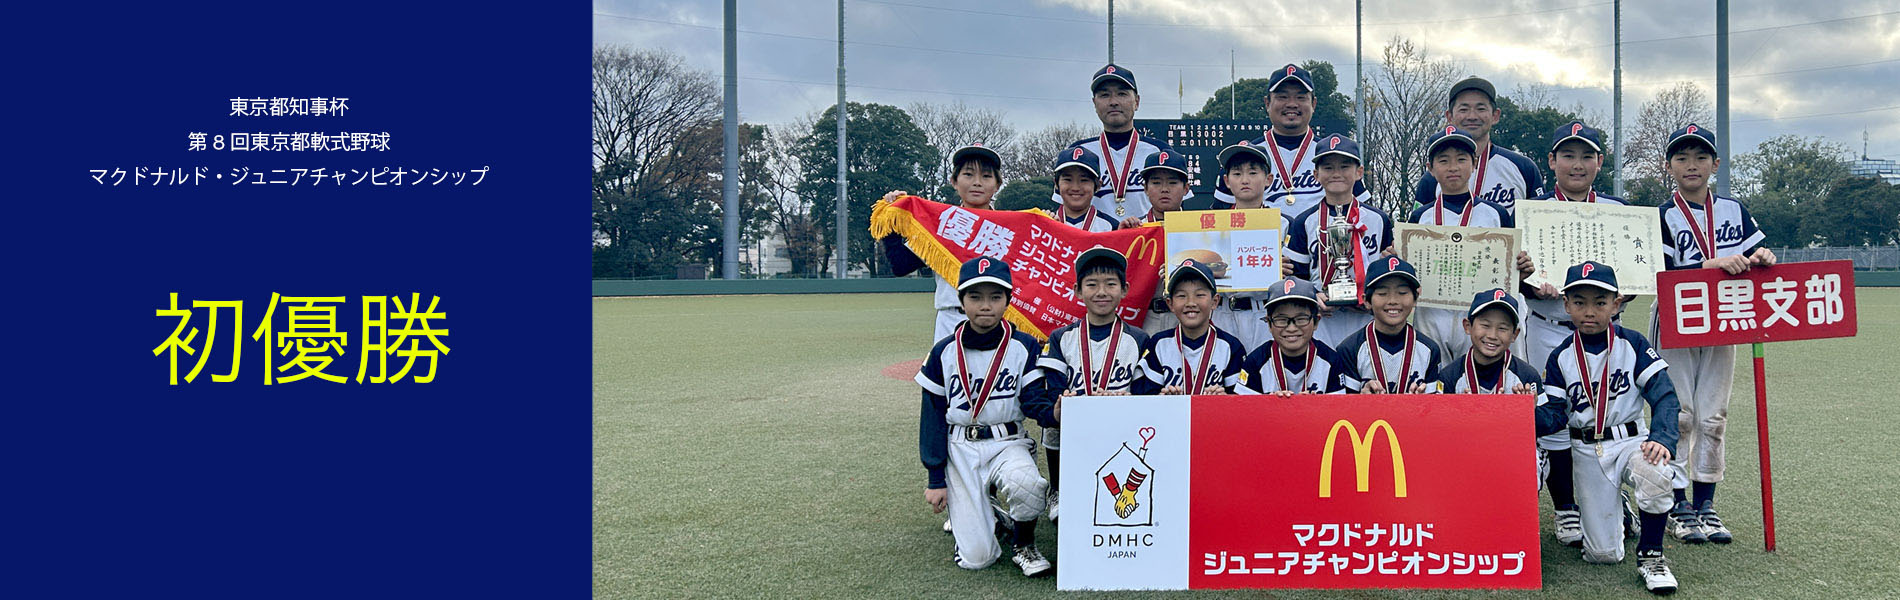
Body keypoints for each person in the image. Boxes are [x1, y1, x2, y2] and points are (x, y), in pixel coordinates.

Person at [1649, 123, 1775, 545]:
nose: (1692, 165)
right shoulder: (1662, 215)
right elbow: (1659, 272)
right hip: (1678, 317)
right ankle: (1677, 502)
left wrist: (1762, 256)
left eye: (1701, 157)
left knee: (1713, 415)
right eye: (1682, 158)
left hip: (1725, 318)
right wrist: (1709, 265)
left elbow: (1755, 253)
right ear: (1669, 166)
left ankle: (1706, 503)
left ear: (1715, 164)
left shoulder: (1734, 210)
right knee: (1680, 413)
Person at [1536, 261, 1685, 594]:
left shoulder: (1633, 343)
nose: (1589, 311)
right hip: (1587, 449)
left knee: (1655, 471)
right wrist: (1520, 416)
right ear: (1566, 305)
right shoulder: (1560, 356)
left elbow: (1664, 396)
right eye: (1579, 302)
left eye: (1600, 302)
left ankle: (1651, 556)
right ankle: (1625, 514)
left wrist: (1662, 438)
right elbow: (1556, 415)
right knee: (1603, 555)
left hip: (1631, 440)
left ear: (1616, 304)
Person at [1520, 121, 1631, 533]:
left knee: (1605, 415)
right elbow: (1508, 276)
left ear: (1600, 162)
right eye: (1568, 155)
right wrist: (1526, 277)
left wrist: (1624, 292)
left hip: (1604, 330)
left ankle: (1609, 501)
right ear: (1552, 161)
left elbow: (1637, 276)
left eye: (1587, 156)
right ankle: (1566, 507)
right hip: (1548, 324)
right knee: (1553, 416)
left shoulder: (1619, 211)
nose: (1577, 164)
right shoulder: (1529, 211)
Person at [916, 256, 1055, 577]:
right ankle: (991, 516)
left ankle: (1024, 544)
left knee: (1027, 484)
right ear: (961, 300)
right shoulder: (943, 351)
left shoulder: (1023, 346)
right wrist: (935, 479)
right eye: (975, 297)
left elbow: (1034, 401)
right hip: (960, 447)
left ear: (1008, 300)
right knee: (978, 558)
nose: (985, 306)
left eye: (995, 296)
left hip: (1008, 441)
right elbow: (932, 417)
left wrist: (1054, 413)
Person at [1434, 289, 1576, 542]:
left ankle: (1515, 528)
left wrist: (1528, 411)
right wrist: (1458, 413)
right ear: (1468, 326)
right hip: (1465, 452)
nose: (1492, 335)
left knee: (1530, 463)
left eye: (1502, 328)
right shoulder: (1451, 375)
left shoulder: (1526, 375)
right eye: (1485, 325)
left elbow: (1553, 420)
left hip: (1512, 453)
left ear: (1515, 334)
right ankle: (1462, 521)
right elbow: (1436, 428)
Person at [1036, 247, 1148, 524]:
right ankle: (1058, 488)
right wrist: (1065, 402)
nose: (1101, 292)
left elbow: (1145, 393)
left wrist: (1126, 400)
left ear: (1124, 290)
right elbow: (1054, 387)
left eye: (1110, 284)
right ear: (1077, 291)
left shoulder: (1139, 338)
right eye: (1092, 284)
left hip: (1121, 427)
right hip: (1074, 430)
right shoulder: (1061, 337)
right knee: (1055, 420)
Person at [1406, 126, 1535, 359]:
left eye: (1461, 159)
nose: (1453, 167)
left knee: (1489, 373)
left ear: (1474, 163)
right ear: (1430, 168)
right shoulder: (1420, 217)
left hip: (1482, 312)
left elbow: (1508, 267)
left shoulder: (1495, 214)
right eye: (1443, 160)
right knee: (1435, 375)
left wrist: (1520, 269)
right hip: (1433, 311)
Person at [1212, 63, 1371, 226]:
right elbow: (1219, 217)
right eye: (1283, 97)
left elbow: (1364, 212)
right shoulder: (1245, 156)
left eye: (1301, 97)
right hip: (1261, 241)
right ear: (1267, 103)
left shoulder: (1334, 155)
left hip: (1323, 241)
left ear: (1313, 104)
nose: (1292, 104)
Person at [879, 143, 1004, 342]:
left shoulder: (1010, 230)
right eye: (968, 174)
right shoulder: (941, 225)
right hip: (951, 319)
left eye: (986, 176)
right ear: (954, 181)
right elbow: (901, 265)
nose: (977, 182)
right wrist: (892, 218)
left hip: (1000, 320)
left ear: (997, 185)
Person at [1282, 134, 1396, 347]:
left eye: (1344, 167)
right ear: (1316, 174)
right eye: (1328, 168)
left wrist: (1373, 295)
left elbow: (1386, 270)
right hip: (1322, 320)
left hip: (1366, 317)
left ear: (1359, 172)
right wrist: (1313, 295)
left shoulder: (1379, 219)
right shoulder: (1304, 221)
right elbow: (1296, 275)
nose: (1336, 174)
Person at [1061, 64, 1182, 220]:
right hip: (1094, 235)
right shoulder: (1079, 152)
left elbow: (1178, 210)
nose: (1113, 102)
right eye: (1105, 95)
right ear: (1094, 103)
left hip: (1147, 234)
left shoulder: (1159, 151)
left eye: (1122, 94)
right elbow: (1064, 211)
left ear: (1137, 101)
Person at [1411, 77, 1544, 215]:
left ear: (1495, 115)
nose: (1472, 116)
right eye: (1463, 109)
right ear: (1449, 116)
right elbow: (1417, 224)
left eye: (1481, 109)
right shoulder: (1433, 177)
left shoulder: (1523, 168)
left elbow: (1540, 221)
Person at [1334, 257, 1444, 394]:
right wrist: (1361, 397)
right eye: (1383, 293)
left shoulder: (1429, 349)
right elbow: (1343, 403)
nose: (1393, 301)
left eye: (1402, 293)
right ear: (1366, 301)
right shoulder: (1349, 349)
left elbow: (1435, 402)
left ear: (1415, 298)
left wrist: (1422, 400)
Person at [1138, 259, 1247, 395]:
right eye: (1181, 296)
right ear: (1170, 303)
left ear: (1214, 301)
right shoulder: (1158, 343)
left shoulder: (1231, 346)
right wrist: (1163, 398)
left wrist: (1223, 399)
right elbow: (1145, 397)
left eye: (1200, 295)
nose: (1191, 303)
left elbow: (1239, 400)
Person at [1207, 142, 1275, 352]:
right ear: (1227, 181)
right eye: (1237, 173)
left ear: (1268, 179)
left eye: (1253, 173)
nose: (1245, 180)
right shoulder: (1209, 225)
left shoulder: (1284, 224)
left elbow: (1298, 274)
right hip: (1222, 312)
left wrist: (1284, 270)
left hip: (1264, 312)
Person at [1236, 278, 1355, 395]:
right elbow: (1244, 406)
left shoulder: (1330, 360)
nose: (1291, 328)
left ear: (1316, 322)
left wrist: (1313, 404)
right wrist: (1271, 403)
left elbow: (1337, 406)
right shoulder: (1255, 361)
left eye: (1301, 319)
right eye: (1282, 320)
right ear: (1269, 324)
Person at [1130, 150, 1191, 334]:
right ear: (1145, 188)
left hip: (1188, 316)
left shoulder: (1198, 229)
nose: (1164, 189)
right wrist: (1122, 235)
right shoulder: (1134, 229)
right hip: (1146, 317)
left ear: (1186, 188)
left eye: (1172, 182)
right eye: (1156, 183)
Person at [1051, 146, 1118, 232]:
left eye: (1084, 180)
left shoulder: (1112, 227)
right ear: (1056, 183)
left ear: (1098, 185)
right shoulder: (1046, 223)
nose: (1075, 188)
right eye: (1068, 179)